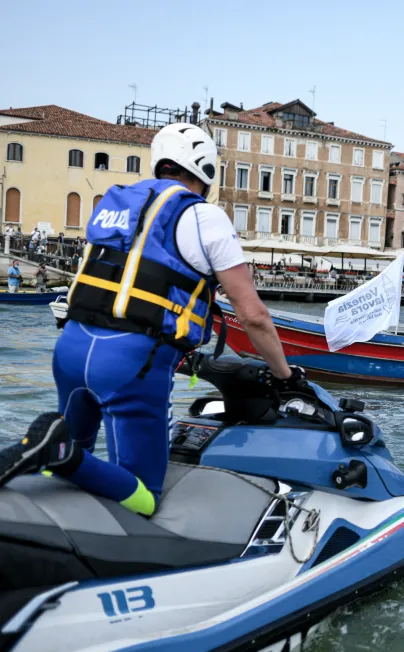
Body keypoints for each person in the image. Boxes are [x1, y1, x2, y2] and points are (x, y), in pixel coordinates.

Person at [0, 122, 301, 515]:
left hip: (72, 347)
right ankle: (59, 453)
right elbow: (254, 315)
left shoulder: (116, 204)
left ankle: (41, 500)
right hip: (131, 363)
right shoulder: (204, 218)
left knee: (66, 466)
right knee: (143, 497)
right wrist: (285, 376)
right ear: (206, 170)